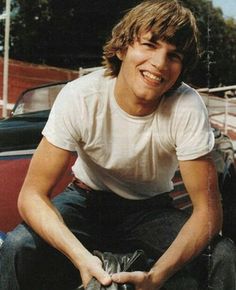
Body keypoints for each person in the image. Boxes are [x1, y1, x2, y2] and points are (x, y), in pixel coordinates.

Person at [1, 0, 236, 289]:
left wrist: (156, 276)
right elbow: (32, 196)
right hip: (85, 201)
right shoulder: (81, 96)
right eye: (150, 45)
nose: (160, 63)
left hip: (150, 209)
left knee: (222, 256)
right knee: (18, 246)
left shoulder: (187, 106)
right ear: (122, 48)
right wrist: (80, 258)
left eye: (173, 55)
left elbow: (208, 212)